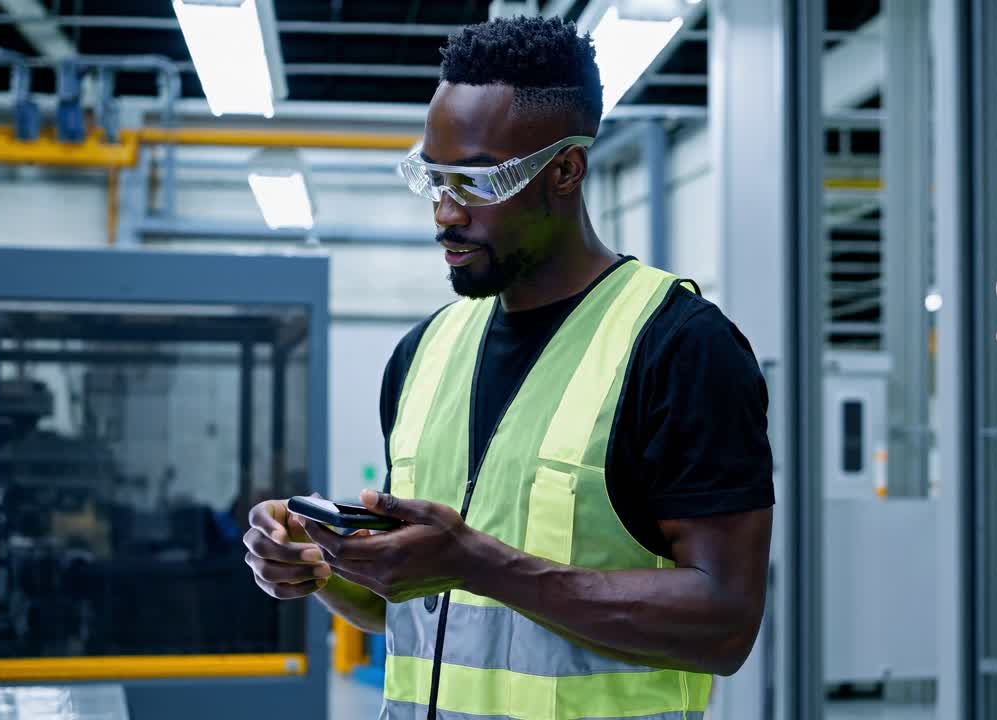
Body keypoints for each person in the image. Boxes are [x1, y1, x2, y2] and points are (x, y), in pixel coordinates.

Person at [244, 15, 774, 720]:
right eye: (434, 177)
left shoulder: (678, 348)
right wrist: (318, 566)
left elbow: (725, 623)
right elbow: (418, 611)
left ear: (564, 169)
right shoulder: (423, 353)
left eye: (475, 182)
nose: (445, 212)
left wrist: (479, 564)